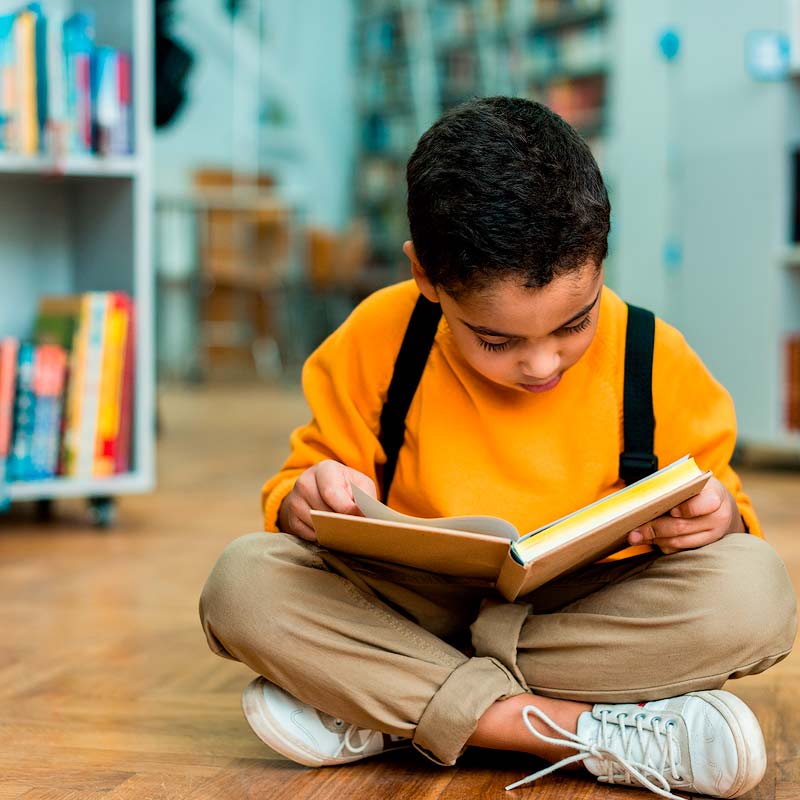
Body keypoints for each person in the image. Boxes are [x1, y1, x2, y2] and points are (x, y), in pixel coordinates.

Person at [200, 97, 797, 800]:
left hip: (583, 613)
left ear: (602, 258)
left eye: (574, 324)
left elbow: (728, 517)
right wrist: (305, 497)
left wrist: (716, 517)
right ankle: (574, 731)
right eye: (497, 341)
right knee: (243, 584)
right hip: (412, 604)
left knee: (756, 591)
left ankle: (392, 702)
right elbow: (307, 482)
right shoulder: (379, 339)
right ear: (425, 276)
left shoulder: (652, 356)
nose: (542, 366)